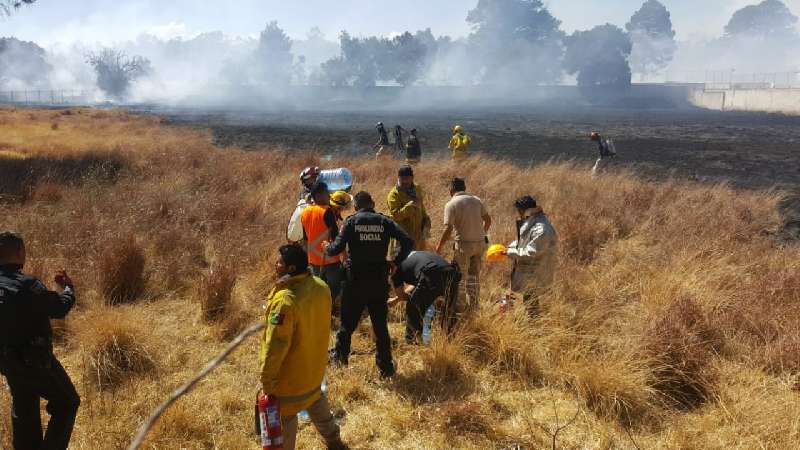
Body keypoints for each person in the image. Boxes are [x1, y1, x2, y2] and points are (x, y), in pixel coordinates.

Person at [0, 231, 80, 450]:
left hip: (7, 362)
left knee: (25, 410)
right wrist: (68, 288)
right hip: (36, 362)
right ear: (19, 252)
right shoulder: (27, 285)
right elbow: (59, 307)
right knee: (67, 402)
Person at [259, 245, 344, 450]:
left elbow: (275, 347)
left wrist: (267, 382)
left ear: (291, 267)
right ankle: (334, 441)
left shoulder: (285, 301)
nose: (275, 265)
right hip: (314, 371)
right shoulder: (321, 286)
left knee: (286, 421)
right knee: (316, 403)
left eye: (279, 262)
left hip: (290, 382)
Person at [325, 191, 413, 378]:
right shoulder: (384, 221)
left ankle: (340, 360)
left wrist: (326, 246)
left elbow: (336, 249)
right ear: (372, 203)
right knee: (380, 325)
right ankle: (386, 367)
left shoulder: (351, 221)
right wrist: (395, 261)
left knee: (347, 324)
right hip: (378, 281)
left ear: (356, 206)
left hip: (354, 281)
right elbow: (408, 241)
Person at [436, 177, 491, 312]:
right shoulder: (477, 200)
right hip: (479, 244)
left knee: (460, 278)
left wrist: (439, 246)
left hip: (463, 246)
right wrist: (481, 235)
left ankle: (460, 309)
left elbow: (448, 229)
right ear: (464, 188)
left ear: (451, 189)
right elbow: (488, 220)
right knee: (474, 277)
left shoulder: (451, 204)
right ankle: (474, 307)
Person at [389, 251, 461, 344]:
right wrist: (396, 300)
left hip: (430, 275)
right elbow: (417, 284)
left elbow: (403, 295)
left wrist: (397, 299)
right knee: (448, 312)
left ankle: (413, 342)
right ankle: (451, 342)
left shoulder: (396, 270)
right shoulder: (416, 255)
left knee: (413, 307)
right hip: (452, 273)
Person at [505, 196, 558, 311]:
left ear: (528, 210)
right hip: (530, 268)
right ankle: (532, 323)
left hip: (536, 269)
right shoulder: (532, 222)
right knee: (529, 297)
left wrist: (510, 252)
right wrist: (509, 248)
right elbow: (523, 241)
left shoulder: (542, 229)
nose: (519, 213)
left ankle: (534, 325)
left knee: (531, 298)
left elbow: (531, 251)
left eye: (520, 210)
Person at [300, 182, 345, 306]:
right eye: (326, 193)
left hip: (314, 260)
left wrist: (308, 258)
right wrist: (344, 255)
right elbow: (337, 237)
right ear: (319, 195)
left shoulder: (304, 213)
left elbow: (305, 239)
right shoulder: (326, 211)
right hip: (330, 259)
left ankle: (321, 311)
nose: (329, 196)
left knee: (318, 290)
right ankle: (330, 312)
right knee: (334, 289)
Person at [387, 165, 430, 251]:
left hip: (418, 238)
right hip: (402, 239)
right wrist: (410, 206)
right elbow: (396, 215)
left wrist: (426, 220)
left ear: (412, 178)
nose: (405, 183)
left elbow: (421, 206)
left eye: (407, 180)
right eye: (402, 180)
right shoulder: (394, 194)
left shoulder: (417, 189)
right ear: (398, 178)